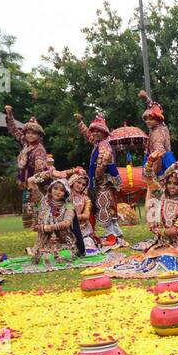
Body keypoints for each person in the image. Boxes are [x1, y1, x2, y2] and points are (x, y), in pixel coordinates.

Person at [74, 113, 126, 244]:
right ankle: (117, 233)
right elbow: (88, 134)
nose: (95, 133)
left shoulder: (103, 144)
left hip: (103, 181)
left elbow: (103, 160)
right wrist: (80, 122)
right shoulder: (99, 142)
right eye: (94, 131)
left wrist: (96, 177)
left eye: (99, 131)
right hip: (105, 181)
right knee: (109, 206)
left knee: (103, 206)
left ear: (104, 133)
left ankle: (111, 236)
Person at [142, 162, 178, 258]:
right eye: (169, 183)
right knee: (150, 254)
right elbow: (148, 179)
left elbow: (176, 230)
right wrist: (151, 160)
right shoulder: (161, 195)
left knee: (169, 254)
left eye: (176, 184)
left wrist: (158, 231)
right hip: (163, 242)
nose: (171, 186)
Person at [5, 105, 50, 229]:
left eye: (33, 133)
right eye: (28, 133)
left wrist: (34, 184)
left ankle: (44, 228)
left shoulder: (39, 149)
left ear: (39, 135)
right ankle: (38, 229)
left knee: (39, 207)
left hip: (37, 183)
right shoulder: (25, 143)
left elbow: (40, 168)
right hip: (27, 182)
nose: (30, 135)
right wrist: (9, 116)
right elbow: (14, 130)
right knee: (29, 208)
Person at [27, 169, 77, 266]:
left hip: (63, 242)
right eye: (55, 188)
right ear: (50, 189)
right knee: (45, 258)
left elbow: (67, 223)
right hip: (44, 243)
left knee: (66, 255)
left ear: (65, 193)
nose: (58, 192)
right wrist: (48, 173)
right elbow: (30, 181)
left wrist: (47, 228)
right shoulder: (43, 201)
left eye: (62, 190)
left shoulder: (68, 205)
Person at [67, 168, 96, 255]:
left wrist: (72, 217)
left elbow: (86, 216)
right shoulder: (65, 195)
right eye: (78, 182)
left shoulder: (86, 198)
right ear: (72, 181)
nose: (80, 186)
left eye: (83, 185)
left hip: (82, 229)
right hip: (66, 227)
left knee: (87, 246)